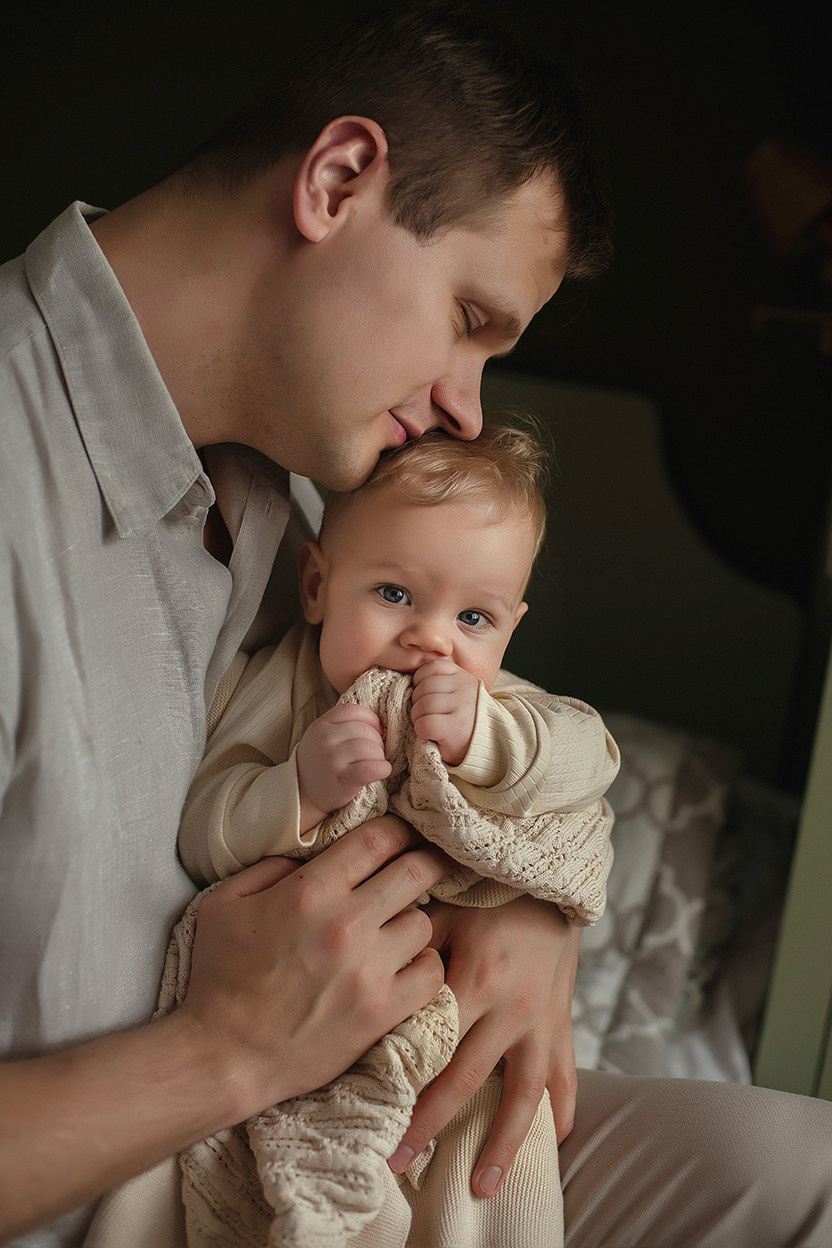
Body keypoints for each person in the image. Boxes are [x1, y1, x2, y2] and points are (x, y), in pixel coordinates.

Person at [1, 4, 831, 1247]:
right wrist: (222, 1054)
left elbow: (439, 747)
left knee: (797, 1176)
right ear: (338, 180)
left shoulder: (287, 500)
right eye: (471, 321)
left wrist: (526, 905)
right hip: (141, 1175)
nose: (461, 408)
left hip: (353, 1119)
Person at [167, 423, 619, 1244]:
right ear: (315, 585)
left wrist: (487, 741)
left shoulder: (497, 709)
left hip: (455, 1024)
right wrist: (296, 789)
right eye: (395, 595)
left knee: (492, 1198)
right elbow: (205, 830)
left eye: (474, 617)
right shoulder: (273, 691)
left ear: (509, 630)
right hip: (305, 1024)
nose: (431, 638)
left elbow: (591, 757)